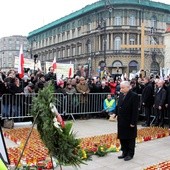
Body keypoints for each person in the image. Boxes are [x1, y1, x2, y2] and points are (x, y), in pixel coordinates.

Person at [115, 81, 138, 161]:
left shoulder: (134, 96)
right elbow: (119, 105)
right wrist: (115, 113)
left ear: (128, 87)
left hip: (129, 121)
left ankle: (130, 154)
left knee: (130, 138)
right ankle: (124, 152)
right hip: (121, 120)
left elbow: (135, 111)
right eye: (120, 87)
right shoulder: (121, 94)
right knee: (122, 137)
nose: (121, 89)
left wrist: (133, 122)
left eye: (122, 88)